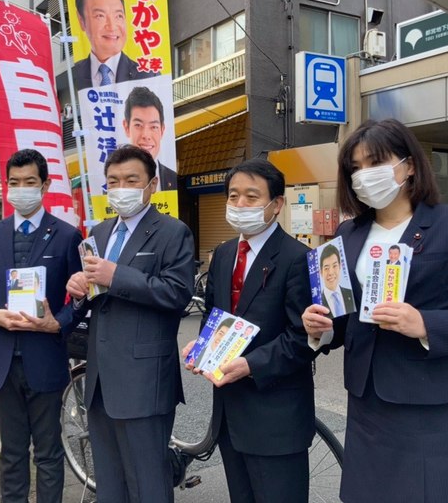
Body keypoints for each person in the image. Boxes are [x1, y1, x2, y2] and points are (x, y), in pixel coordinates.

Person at [302, 118, 448, 503]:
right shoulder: (347, 236)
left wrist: (425, 324)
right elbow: (346, 316)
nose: (364, 175)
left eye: (375, 163)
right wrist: (322, 328)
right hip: (368, 402)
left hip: (434, 405)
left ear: (410, 165)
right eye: (356, 168)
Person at [181, 158, 316, 503]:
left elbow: (304, 338)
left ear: (277, 204)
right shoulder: (224, 254)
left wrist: (252, 365)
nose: (240, 205)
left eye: (251, 197)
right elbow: (214, 315)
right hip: (229, 413)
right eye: (233, 196)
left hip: (277, 416)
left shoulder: (298, 257)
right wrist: (202, 345)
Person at [66, 145, 195, 503]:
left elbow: (177, 294)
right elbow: (96, 295)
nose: (121, 188)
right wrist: (79, 290)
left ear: (151, 184)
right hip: (101, 380)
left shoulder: (173, 231)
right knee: (109, 482)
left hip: (145, 379)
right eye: (114, 181)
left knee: (148, 483)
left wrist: (116, 275)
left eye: (131, 180)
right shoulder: (99, 232)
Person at [0, 149, 83, 503]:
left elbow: (79, 298)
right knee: (11, 455)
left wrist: (56, 324)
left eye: (30, 182)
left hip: (44, 359)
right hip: (1, 363)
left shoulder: (66, 236)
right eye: (14, 183)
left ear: (45, 185)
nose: (21, 189)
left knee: (48, 452)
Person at [71, 0, 152, 90]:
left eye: (118, 16)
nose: (112, 26)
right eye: (100, 16)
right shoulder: (73, 75)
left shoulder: (149, 76)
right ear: (81, 21)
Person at [123, 86, 177, 191]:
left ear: (162, 130)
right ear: (126, 127)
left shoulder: (173, 179)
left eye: (154, 127)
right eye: (138, 125)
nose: (146, 135)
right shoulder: (114, 182)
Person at [319, 243, 356, 317]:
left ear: (340, 266)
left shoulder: (351, 294)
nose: (331, 273)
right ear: (321, 272)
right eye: (326, 268)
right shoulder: (318, 302)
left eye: (334, 266)